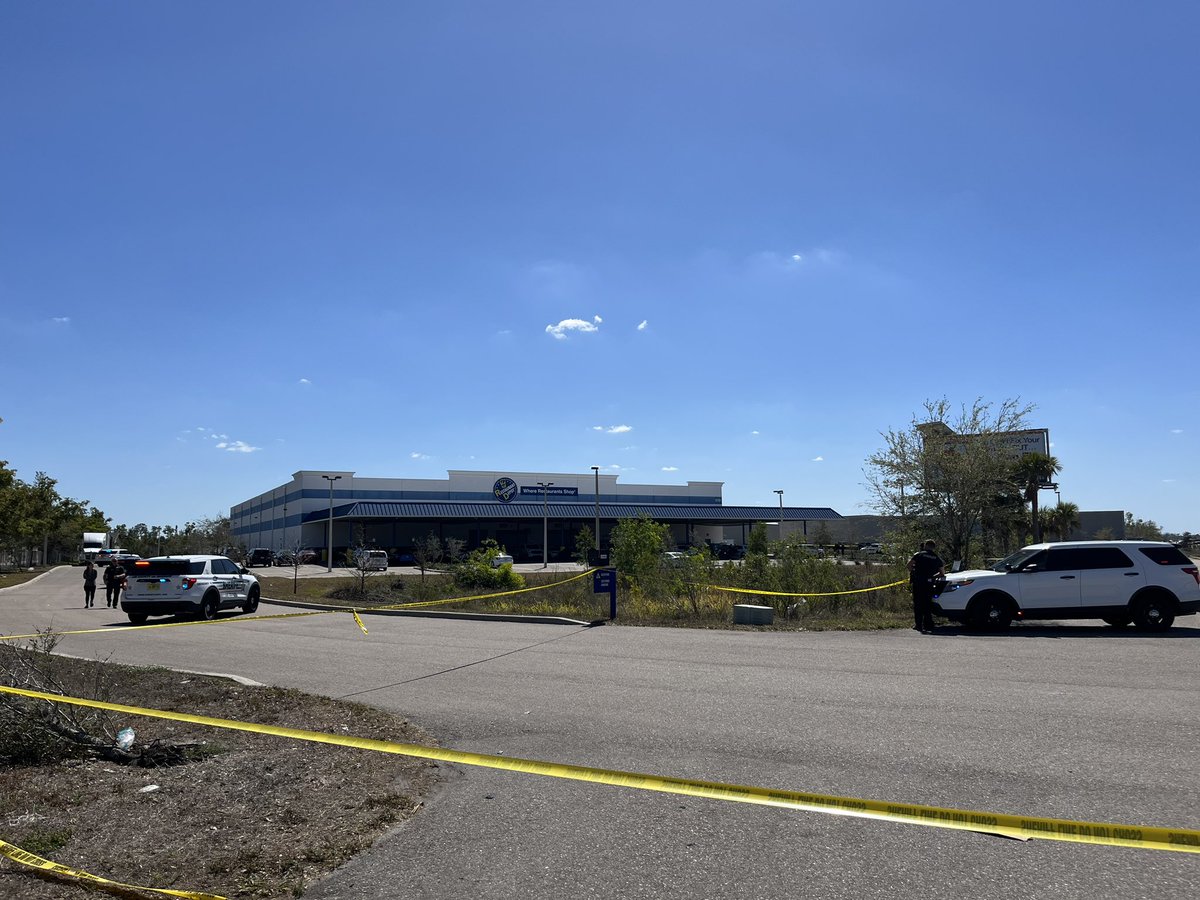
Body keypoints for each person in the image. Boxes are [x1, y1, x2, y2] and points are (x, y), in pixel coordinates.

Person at [907, 539, 945, 634]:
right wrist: (932, 577)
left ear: (925, 545)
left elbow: (908, 565)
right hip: (929, 583)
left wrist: (914, 572)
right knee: (927, 604)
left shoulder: (918, 555)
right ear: (933, 547)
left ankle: (918, 625)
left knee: (918, 604)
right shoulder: (936, 557)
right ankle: (928, 624)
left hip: (918, 582)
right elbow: (942, 573)